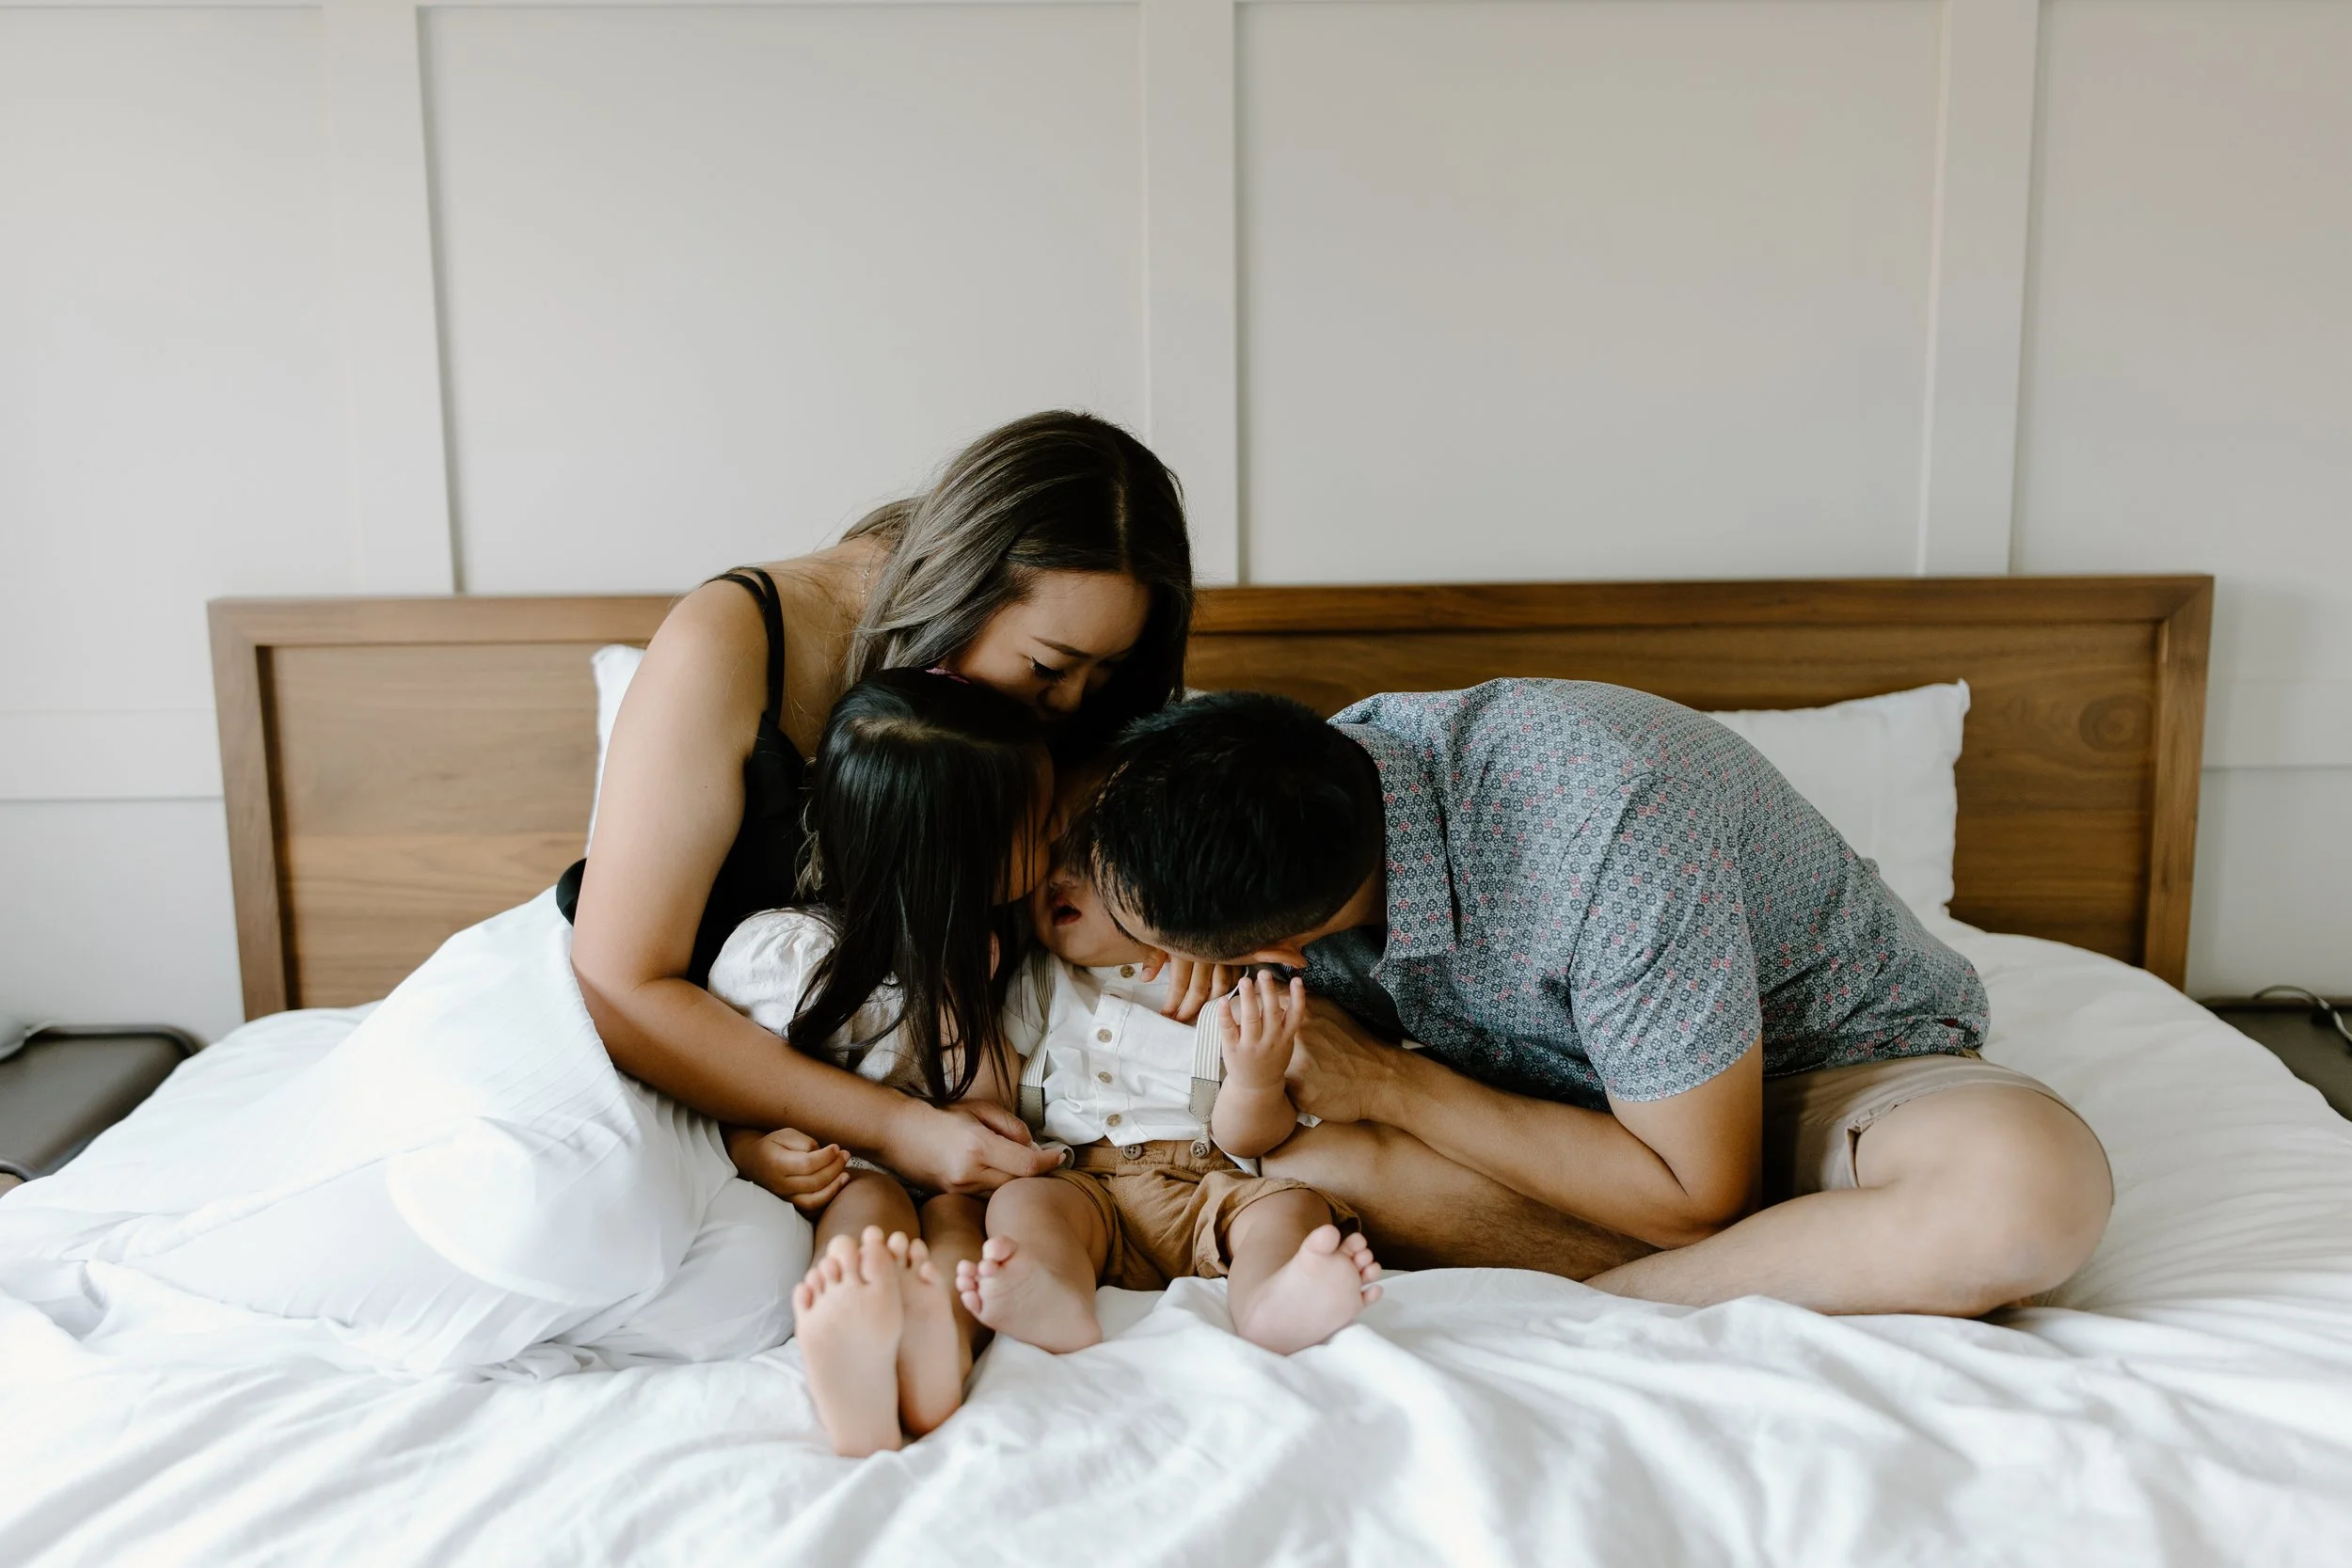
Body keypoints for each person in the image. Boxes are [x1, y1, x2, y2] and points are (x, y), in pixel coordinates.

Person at [1070, 683, 2115, 1319]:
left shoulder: (1611, 823)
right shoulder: (1288, 808)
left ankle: (1613, 1306)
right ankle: (1839, 1261)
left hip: (1827, 1067)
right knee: (1307, 1166)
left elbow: (1700, 1195)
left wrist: (1391, 1081)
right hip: (1579, 1121)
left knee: (2026, 1195)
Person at [567, 411, 1194, 1205]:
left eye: (1102, 676)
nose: (1069, 704)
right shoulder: (731, 640)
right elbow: (621, 986)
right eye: (1047, 668)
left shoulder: (1068, 700)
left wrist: (1189, 914)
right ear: (959, 591)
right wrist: (895, 1128)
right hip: (728, 1053)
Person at [708, 667, 1057, 1455]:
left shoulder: (994, 945)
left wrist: (963, 995)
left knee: (964, 1221)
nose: (1056, 836)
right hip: (847, 1166)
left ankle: (941, 1344)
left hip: (949, 1174)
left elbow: (989, 1102)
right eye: (1038, 827)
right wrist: (751, 1149)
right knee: (870, 1208)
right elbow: (725, 1086)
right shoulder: (790, 960)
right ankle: (853, 1334)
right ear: (960, 855)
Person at [952, 853, 1382, 1360]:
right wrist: (965, 994)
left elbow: (1253, 1141)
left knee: (1292, 1207)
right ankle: (1052, 1291)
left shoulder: (1234, 984)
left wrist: (1256, 1081)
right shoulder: (1038, 981)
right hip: (1083, 1183)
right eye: (1050, 862)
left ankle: (1274, 1298)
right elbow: (996, 1092)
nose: (1058, 879)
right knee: (1019, 1203)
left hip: (1208, 1183)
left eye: (1087, 861)